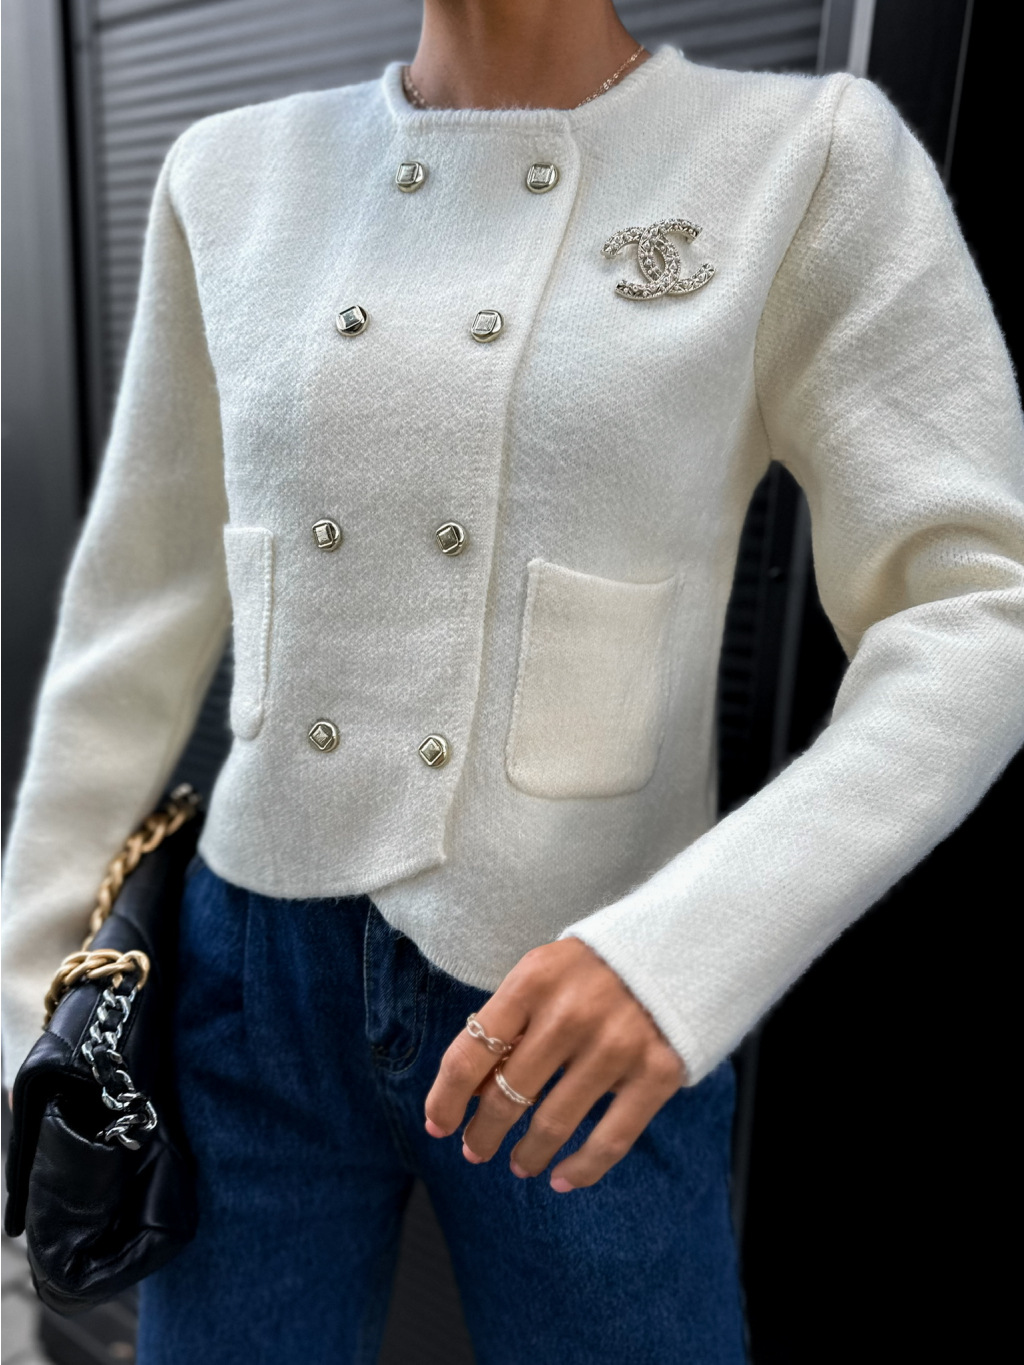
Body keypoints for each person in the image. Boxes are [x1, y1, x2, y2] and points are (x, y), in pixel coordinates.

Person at [3, 0, 1023, 1360]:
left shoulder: (801, 159)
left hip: (588, 996)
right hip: (247, 991)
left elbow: (979, 604)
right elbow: (135, 608)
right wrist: (25, 997)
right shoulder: (230, 171)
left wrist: (686, 956)